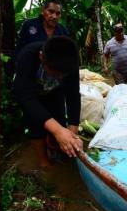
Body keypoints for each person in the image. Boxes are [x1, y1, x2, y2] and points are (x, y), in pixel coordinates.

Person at [13, 36, 83, 167]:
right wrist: (58, 131)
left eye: (64, 74)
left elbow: (73, 95)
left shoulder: (70, 62)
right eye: (56, 73)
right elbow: (25, 96)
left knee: (60, 121)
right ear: (41, 58)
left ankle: (57, 151)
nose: (61, 77)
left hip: (55, 92)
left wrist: (72, 133)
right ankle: (43, 163)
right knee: (35, 125)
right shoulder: (27, 56)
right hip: (32, 95)